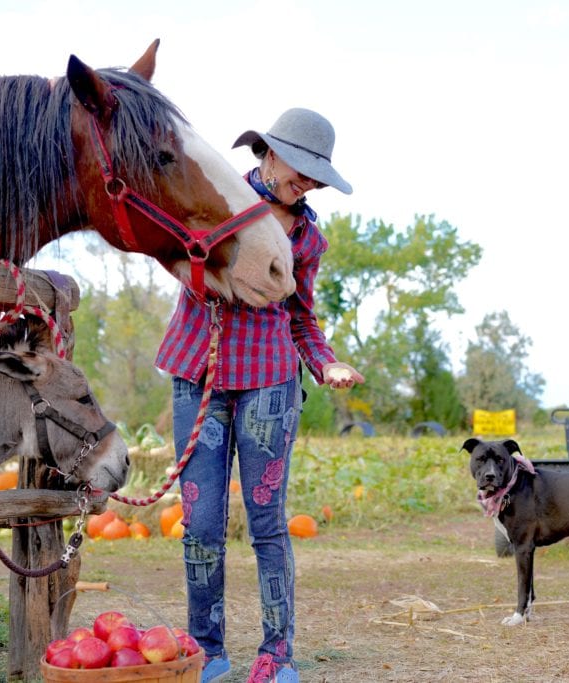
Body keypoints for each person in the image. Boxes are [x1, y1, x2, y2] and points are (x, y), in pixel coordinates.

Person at [155, 108, 365, 683]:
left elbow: (303, 318)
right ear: (269, 155)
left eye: (316, 177)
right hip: (199, 373)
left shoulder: (308, 237)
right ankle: (208, 651)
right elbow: (171, 255)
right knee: (200, 523)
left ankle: (277, 656)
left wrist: (326, 363)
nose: (309, 184)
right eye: (302, 170)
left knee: (268, 523)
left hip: (269, 382)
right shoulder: (215, 197)